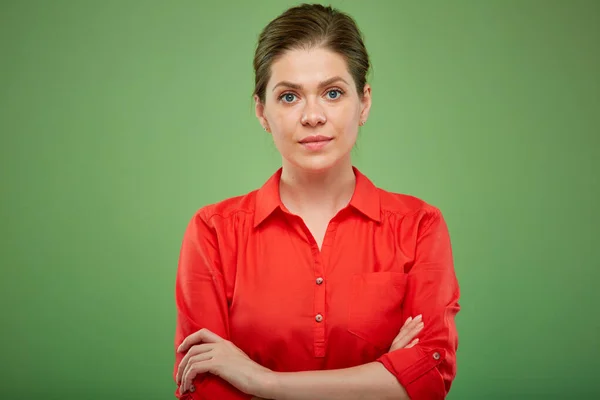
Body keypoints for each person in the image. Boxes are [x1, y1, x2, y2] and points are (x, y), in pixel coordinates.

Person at [172, 3, 460, 399]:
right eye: (289, 97)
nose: (312, 116)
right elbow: (204, 388)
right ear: (261, 111)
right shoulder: (213, 231)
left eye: (333, 93)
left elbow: (428, 378)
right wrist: (380, 380)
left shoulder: (420, 225)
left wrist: (261, 380)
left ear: (365, 102)